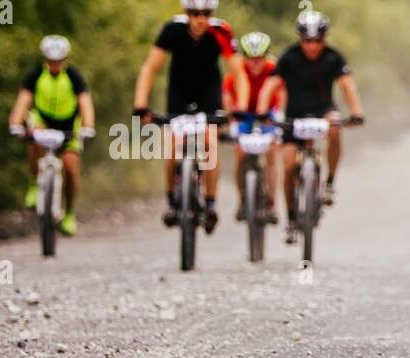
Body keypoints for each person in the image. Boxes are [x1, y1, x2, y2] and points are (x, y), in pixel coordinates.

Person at [132, 0, 250, 235]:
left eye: (206, 14)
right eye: (195, 14)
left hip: (209, 94)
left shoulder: (221, 31)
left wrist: (240, 107)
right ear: (187, 14)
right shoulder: (172, 30)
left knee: (210, 142)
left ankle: (210, 202)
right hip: (179, 94)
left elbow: (238, 73)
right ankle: (171, 201)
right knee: (171, 143)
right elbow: (150, 68)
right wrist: (140, 105)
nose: (201, 20)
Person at [257, 10, 366, 245]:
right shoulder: (289, 57)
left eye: (317, 41)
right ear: (300, 38)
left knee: (335, 127)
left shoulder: (334, 58)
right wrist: (262, 111)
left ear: (324, 39)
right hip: (294, 115)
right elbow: (271, 85)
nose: (312, 46)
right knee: (287, 166)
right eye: (307, 41)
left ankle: (329, 183)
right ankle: (291, 217)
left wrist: (356, 112)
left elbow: (347, 86)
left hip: (322, 110)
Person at [8, 35, 96, 237]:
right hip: (43, 119)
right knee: (34, 137)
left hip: (68, 125)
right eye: (50, 61)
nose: (54, 65)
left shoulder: (73, 76)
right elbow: (23, 101)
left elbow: (85, 102)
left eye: (58, 61)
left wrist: (88, 126)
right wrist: (16, 123)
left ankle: (70, 213)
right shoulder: (36, 75)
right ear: (44, 59)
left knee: (71, 167)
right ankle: (33, 183)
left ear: (65, 60)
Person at [223, 31, 285, 225]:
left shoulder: (274, 68)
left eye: (259, 59)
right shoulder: (236, 70)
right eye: (251, 59)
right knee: (240, 152)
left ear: (266, 57)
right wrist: (229, 121)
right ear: (244, 57)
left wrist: (280, 117)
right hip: (243, 113)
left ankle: (272, 203)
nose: (255, 64)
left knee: (272, 152)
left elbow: (282, 94)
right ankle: (242, 200)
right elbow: (227, 98)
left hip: (268, 113)